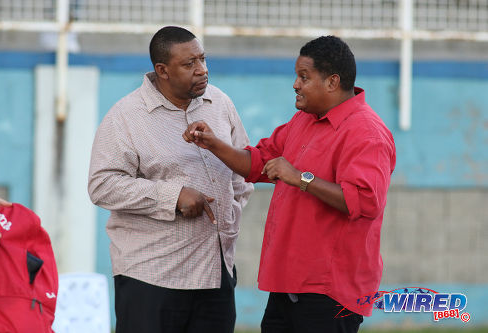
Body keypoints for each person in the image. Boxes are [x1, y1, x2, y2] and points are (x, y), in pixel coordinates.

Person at [183, 35, 396, 333]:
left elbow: (364, 201)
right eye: (297, 75)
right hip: (288, 285)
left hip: (329, 294)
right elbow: (258, 163)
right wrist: (212, 143)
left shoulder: (366, 133)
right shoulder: (303, 120)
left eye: (304, 77)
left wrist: (301, 178)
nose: (295, 84)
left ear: (332, 82)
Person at [88, 26, 253, 333]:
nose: (202, 70)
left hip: (215, 271)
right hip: (153, 276)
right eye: (189, 64)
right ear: (162, 70)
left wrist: (229, 218)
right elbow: (102, 185)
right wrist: (172, 197)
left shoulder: (221, 103)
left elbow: (243, 172)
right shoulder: (126, 116)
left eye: (203, 59)